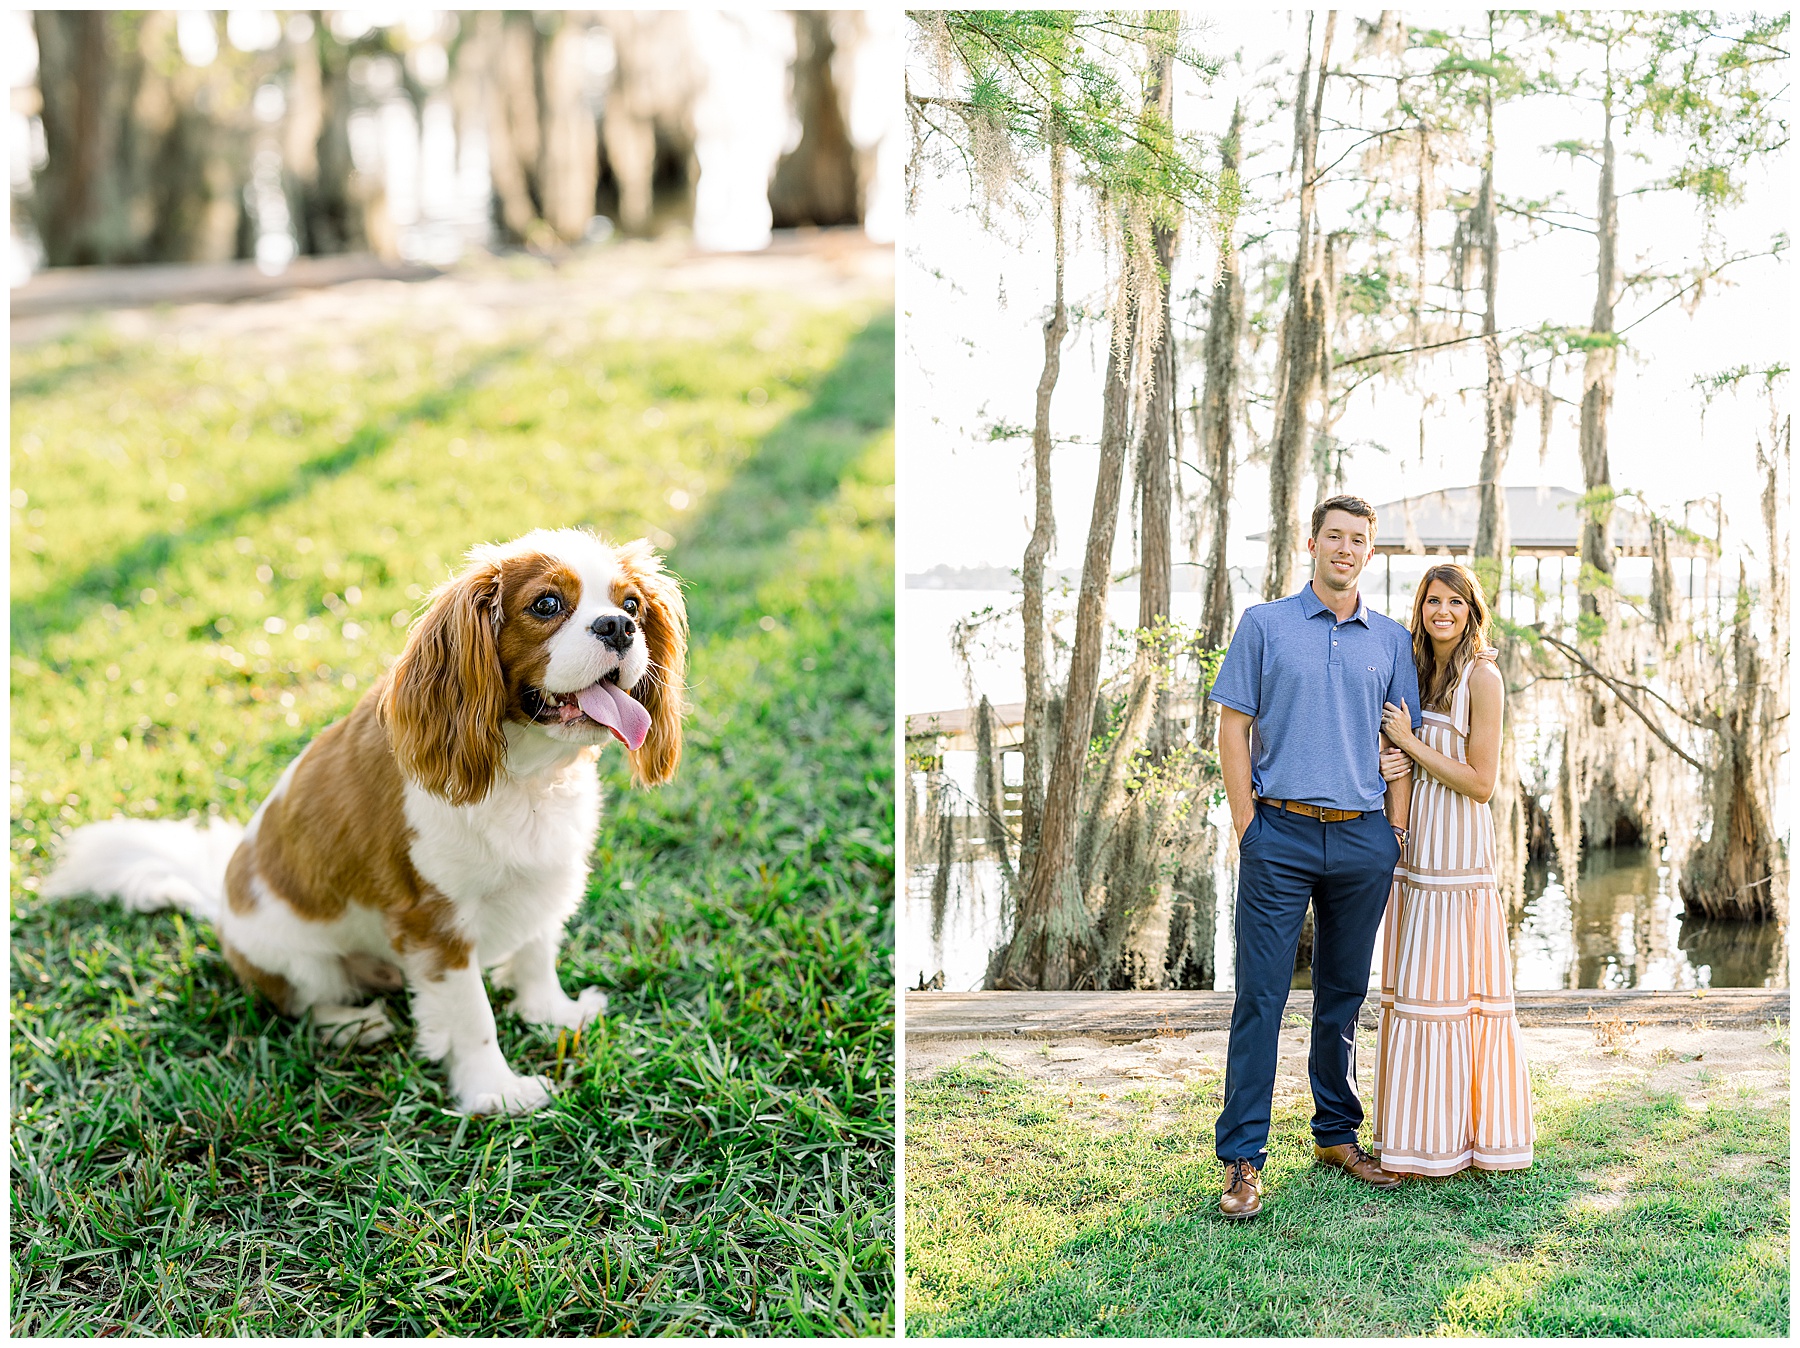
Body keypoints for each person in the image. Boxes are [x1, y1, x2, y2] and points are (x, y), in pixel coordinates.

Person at [1206, 495, 1419, 1221]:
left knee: (1341, 998)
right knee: (1260, 999)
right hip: (1281, 834)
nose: (1346, 549)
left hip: (1361, 838)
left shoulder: (1390, 639)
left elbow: (1401, 748)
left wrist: (1391, 830)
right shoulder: (1264, 625)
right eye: (1335, 536)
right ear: (1311, 543)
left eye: (1359, 540)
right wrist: (1247, 827)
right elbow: (1234, 729)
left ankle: (1336, 1134)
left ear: (1370, 551)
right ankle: (1242, 1159)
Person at [1373, 562, 1535, 1175]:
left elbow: (1482, 783)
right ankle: (1411, 1136)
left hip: (1457, 855)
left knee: (1449, 995)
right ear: (1421, 608)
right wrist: (1392, 773)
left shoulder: (1481, 677)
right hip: (1414, 849)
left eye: (1455, 603)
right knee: (1413, 991)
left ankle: (1455, 1143)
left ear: (1472, 611)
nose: (1442, 612)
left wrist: (1410, 745)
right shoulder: (1417, 668)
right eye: (1432, 601)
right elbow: (1394, 751)